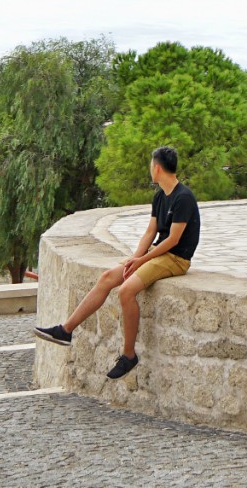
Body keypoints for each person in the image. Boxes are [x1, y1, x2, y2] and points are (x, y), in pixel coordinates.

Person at [34, 144, 198, 379]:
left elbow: (173, 240)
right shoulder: (160, 196)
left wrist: (143, 259)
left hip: (176, 258)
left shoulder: (184, 198)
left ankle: (129, 354)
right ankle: (65, 330)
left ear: (158, 168)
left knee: (126, 291)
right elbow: (150, 231)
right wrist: (134, 257)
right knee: (107, 278)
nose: (150, 169)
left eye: (151, 165)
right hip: (157, 253)